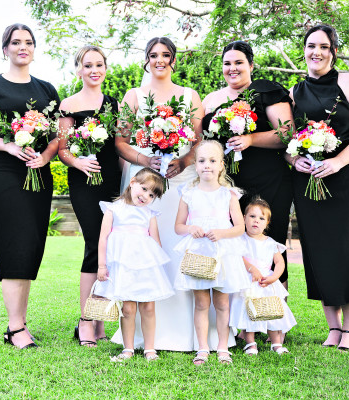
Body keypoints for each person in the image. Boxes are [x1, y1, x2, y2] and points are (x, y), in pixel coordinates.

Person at [114, 37, 230, 351]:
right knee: (146, 246)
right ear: (146, 60)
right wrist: (144, 159)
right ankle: (146, 331)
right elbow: (121, 142)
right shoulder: (134, 95)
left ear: (174, 60)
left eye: (165, 55)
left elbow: (198, 140)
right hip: (146, 181)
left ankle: (190, 331)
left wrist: (184, 160)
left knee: (183, 245)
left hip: (181, 179)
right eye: (153, 55)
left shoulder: (189, 95)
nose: (159, 60)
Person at [0, 23, 61, 349]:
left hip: (37, 172)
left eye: (28, 42)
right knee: (14, 242)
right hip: (1, 171)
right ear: (5, 49)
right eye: (15, 42)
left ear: (34, 48)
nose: (22, 47)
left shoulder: (46, 89)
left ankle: (20, 324)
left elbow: (57, 136)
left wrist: (45, 157)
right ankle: (15, 327)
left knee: (31, 243)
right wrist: (7, 145)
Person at [289, 25, 349, 352]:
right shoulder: (294, 92)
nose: (317, 52)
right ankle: (333, 327)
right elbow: (288, 140)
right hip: (311, 180)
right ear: (304, 50)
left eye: (324, 46)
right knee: (319, 249)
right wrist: (293, 160)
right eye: (311, 45)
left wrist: (338, 162)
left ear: (333, 51)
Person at [202, 41, 294, 290]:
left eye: (239, 62)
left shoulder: (266, 91)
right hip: (228, 185)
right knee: (233, 246)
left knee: (269, 244)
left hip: (268, 181)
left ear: (251, 65)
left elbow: (287, 133)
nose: (232, 68)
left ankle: (275, 310)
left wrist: (251, 139)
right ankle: (238, 311)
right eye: (227, 63)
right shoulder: (211, 99)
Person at [57, 45, 121, 347]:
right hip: (84, 180)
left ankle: (100, 321)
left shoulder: (114, 104)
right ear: (78, 70)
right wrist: (79, 162)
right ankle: (85, 321)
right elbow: (62, 149)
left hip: (112, 180)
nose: (94, 70)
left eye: (99, 64)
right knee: (95, 244)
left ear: (105, 68)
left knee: (111, 248)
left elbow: (119, 146)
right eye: (87, 65)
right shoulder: (68, 104)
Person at [173, 140, 251, 365]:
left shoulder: (229, 195)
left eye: (212, 160)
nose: (207, 165)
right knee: (201, 303)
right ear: (195, 165)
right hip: (198, 253)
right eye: (201, 161)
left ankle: (223, 347)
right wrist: (190, 228)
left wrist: (222, 233)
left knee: (223, 303)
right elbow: (178, 226)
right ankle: (202, 348)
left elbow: (240, 227)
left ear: (221, 165)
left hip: (222, 254)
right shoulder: (188, 193)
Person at [95, 168, 174, 361]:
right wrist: (102, 265)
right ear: (132, 182)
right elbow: (103, 238)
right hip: (124, 268)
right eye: (144, 188)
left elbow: (156, 241)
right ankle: (128, 348)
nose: (146, 196)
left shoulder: (149, 214)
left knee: (148, 307)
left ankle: (149, 348)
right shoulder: (114, 209)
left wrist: (157, 268)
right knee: (128, 309)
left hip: (146, 267)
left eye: (152, 195)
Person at [229, 197, 297, 355]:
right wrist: (251, 268)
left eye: (261, 218)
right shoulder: (240, 239)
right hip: (248, 280)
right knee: (248, 311)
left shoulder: (270, 242)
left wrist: (274, 277)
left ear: (267, 223)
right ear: (244, 218)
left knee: (271, 311)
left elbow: (279, 262)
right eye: (252, 216)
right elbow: (237, 257)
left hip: (266, 281)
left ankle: (276, 343)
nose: (256, 221)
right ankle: (250, 343)